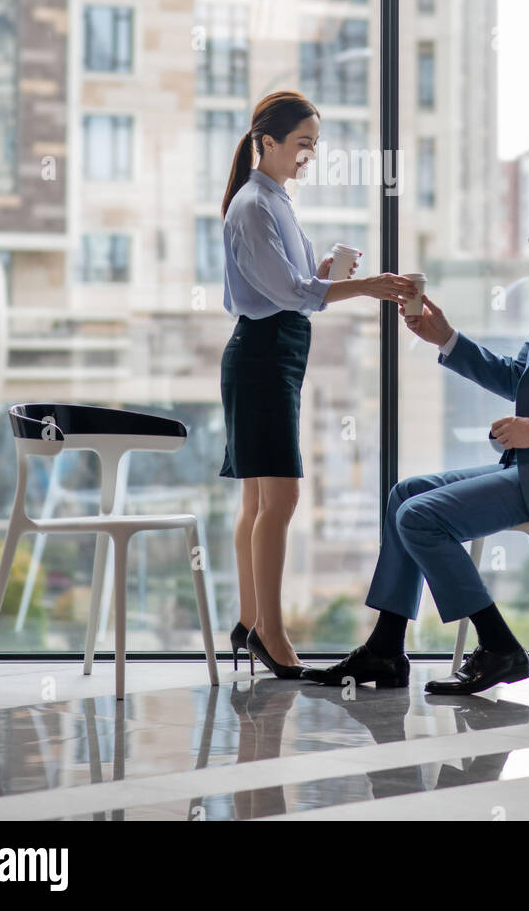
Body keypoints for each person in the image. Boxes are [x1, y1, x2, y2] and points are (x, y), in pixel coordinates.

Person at [301, 179, 529, 696]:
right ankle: (386, 651)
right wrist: (448, 339)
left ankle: (499, 646)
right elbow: (518, 377)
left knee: (419, 517)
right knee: (405, 496)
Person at [219, 90, 418, 680]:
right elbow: (292, 294)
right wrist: (370, 286)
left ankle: (251, 622)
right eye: (302, 144)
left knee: (259, 499)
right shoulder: (254, 205)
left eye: (314, 146)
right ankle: (270, 634)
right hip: (261, 356)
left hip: (274, 353)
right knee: (279, 499)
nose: (309, 155)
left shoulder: (275, 200)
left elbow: (301, 286)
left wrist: (331, 270)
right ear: (268, 141)